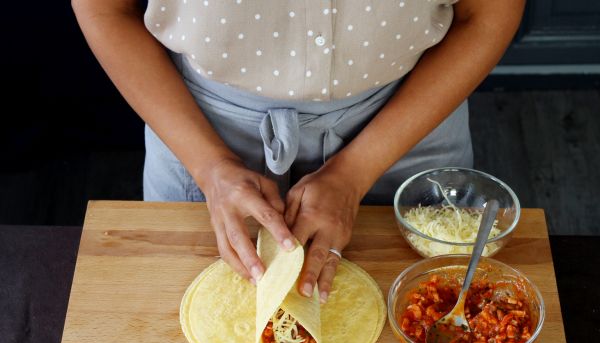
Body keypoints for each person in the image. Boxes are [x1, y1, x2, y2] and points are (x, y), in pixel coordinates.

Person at [72, 0, 525, 302]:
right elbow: (105, 9)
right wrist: (209, 167)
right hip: (201, 127)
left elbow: (486, 15)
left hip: (407, 122)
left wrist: (357, 170)